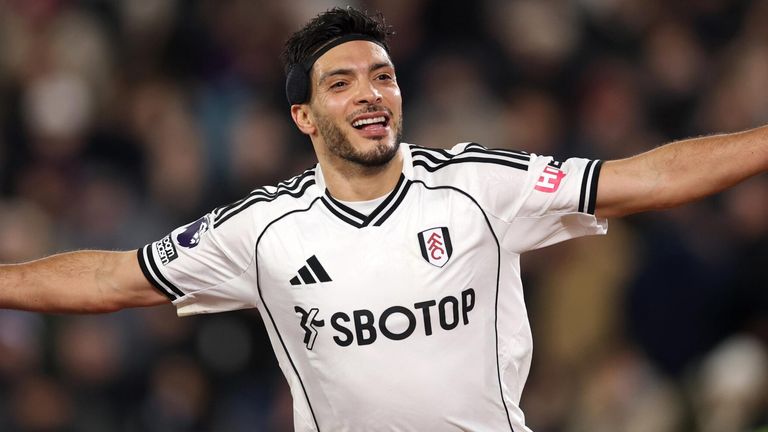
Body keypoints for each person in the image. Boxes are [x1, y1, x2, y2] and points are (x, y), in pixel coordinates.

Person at [1, 6, 766, 432]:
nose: (371, 93)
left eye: (383, 76)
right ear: (303, 116)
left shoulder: (476, 185)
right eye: (342, 82)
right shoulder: (263, 230)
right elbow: (114, 278)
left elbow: (643, 179)